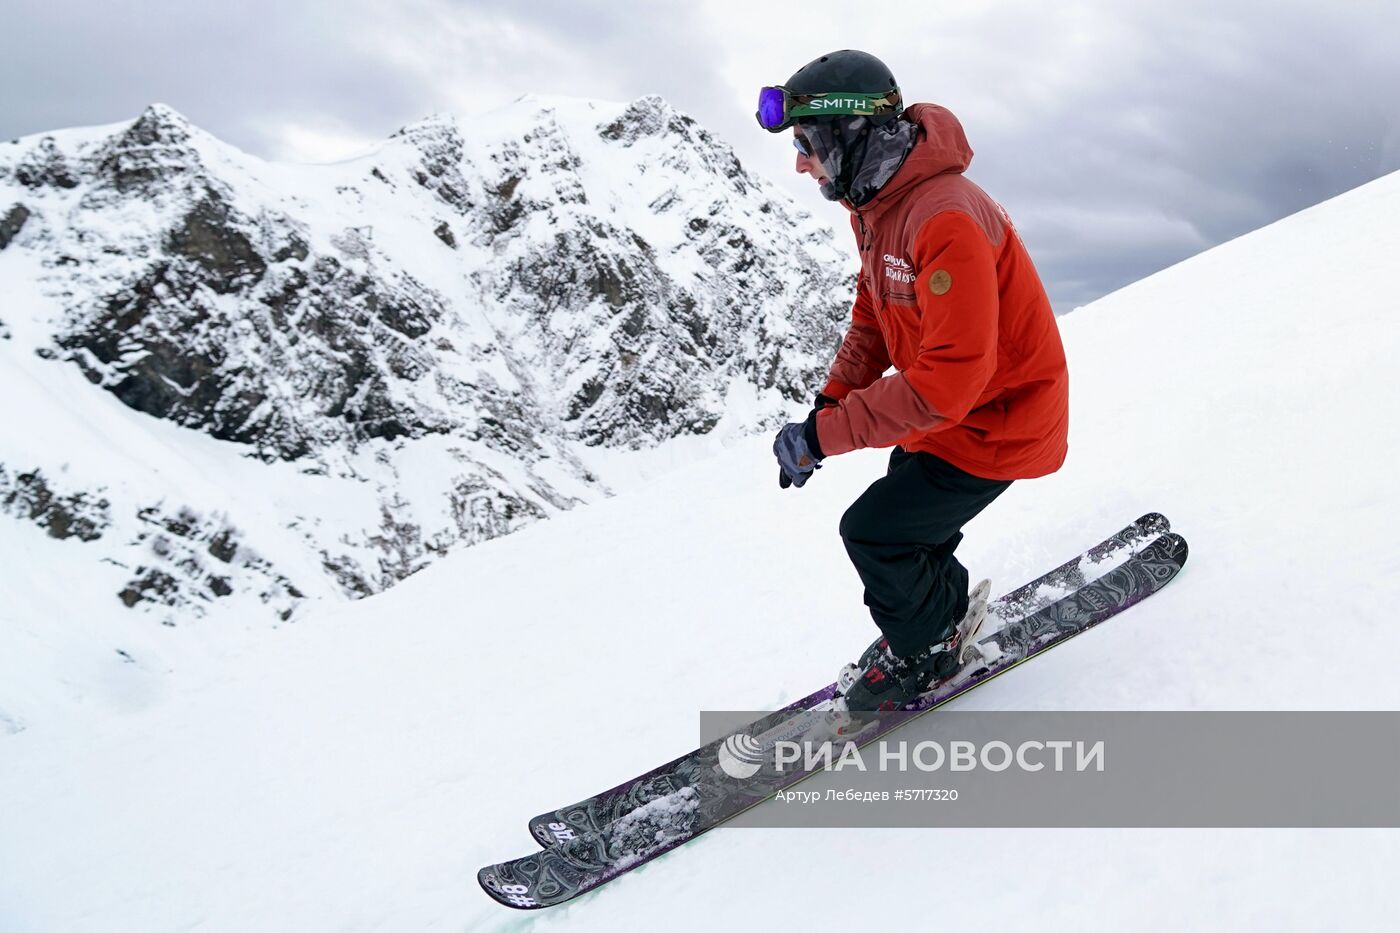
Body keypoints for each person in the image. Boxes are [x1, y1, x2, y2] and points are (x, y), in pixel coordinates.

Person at [758, 50, 1070, 712]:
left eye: (808, 143)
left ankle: (927, 653)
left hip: (995, 422)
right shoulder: (879, 206)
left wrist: (825, 436)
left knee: (874, 531)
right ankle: (938, 617)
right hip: (955, 417)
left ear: (849, 135)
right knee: (904, 522)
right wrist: (829, 404)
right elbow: (873, 317)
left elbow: (949, 382)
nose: (800, 162)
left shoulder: (944, 217)